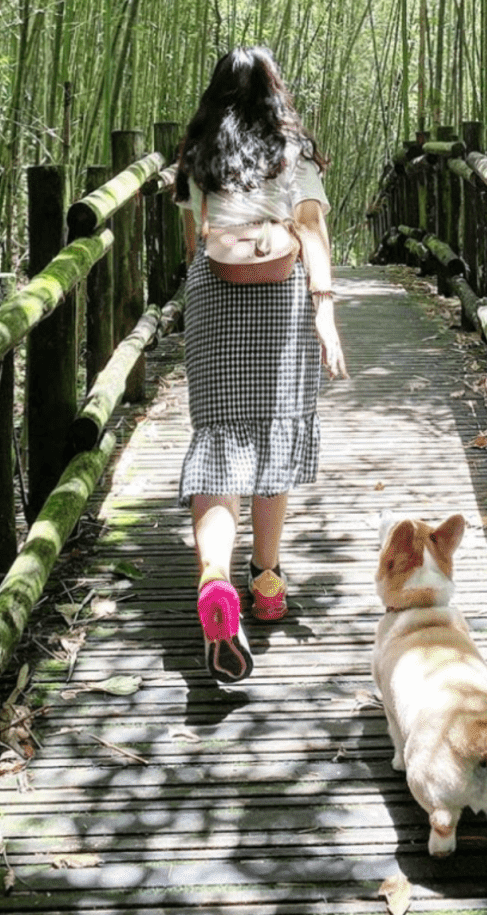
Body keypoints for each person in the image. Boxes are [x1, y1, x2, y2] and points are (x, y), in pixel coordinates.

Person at [173, 46, 347, 682]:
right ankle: (267, 581)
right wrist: (325, 315)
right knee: (275, 432)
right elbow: (313, 234)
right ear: (272, 92)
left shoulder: (198, 156)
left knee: (219, 441)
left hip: (214, 300)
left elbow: (195, 242)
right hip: (280, 301)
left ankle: (214, 577)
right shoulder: (290, 151)